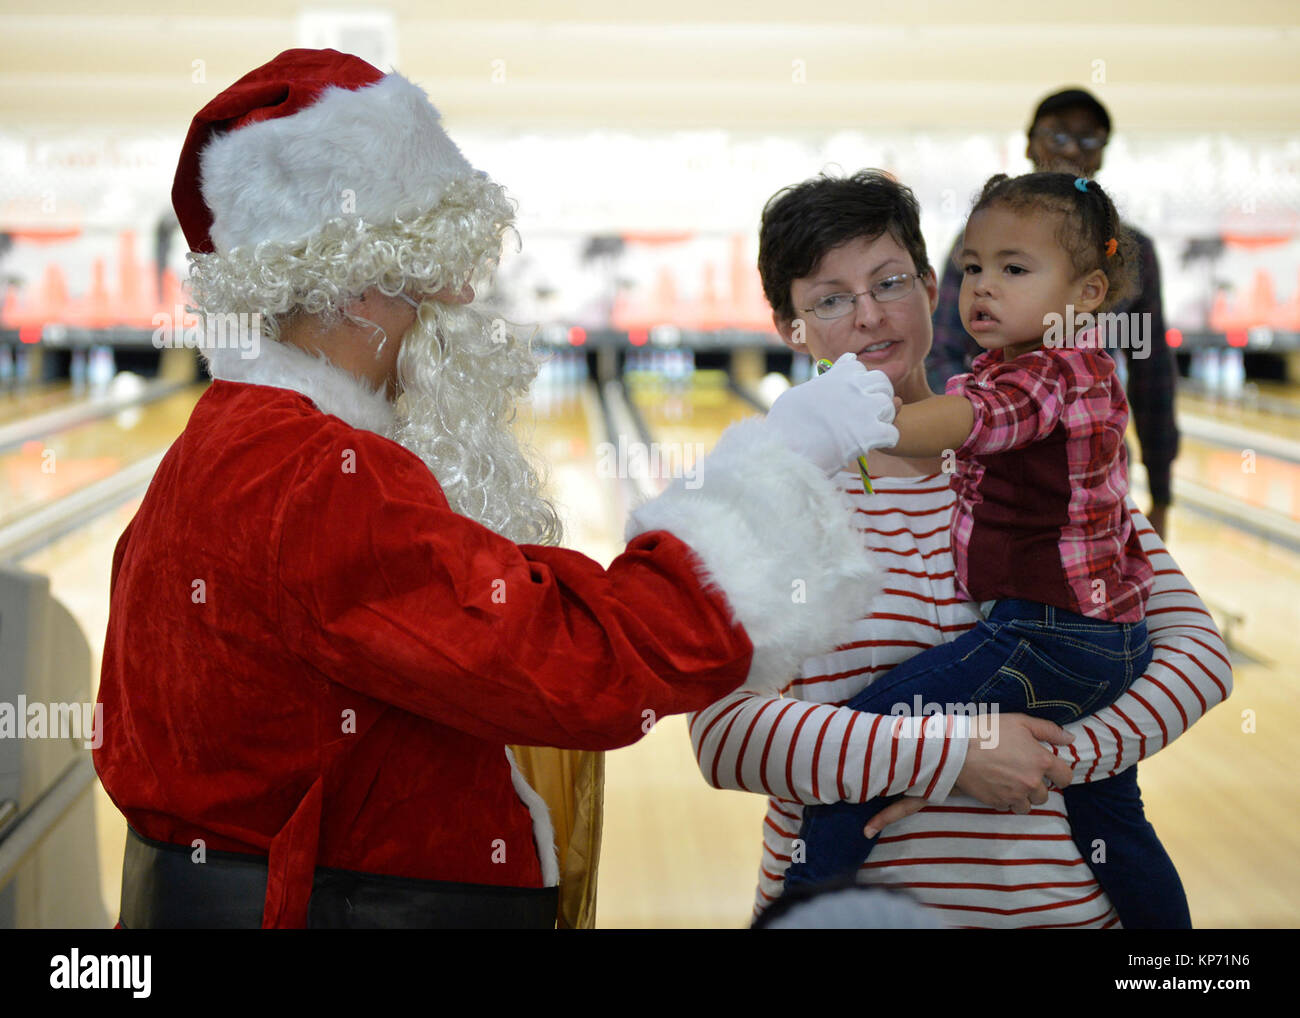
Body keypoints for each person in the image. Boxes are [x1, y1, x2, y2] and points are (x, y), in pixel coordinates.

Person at [92, 48, 912, 929]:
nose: (467, 294)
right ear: (360, 286)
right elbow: (586, 669)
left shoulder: (232, 442)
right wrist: (783, 456)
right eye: (440, 275)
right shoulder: (317, 478)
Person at [688, 169, 1231, 928]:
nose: (871, 317)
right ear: (792, 327)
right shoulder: (766, 496)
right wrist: (956, 754)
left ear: (933, 286)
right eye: (831, 300)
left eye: (889, 282)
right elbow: (726, 737)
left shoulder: (1047, 462)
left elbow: (1200, 659)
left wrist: (1051, 758)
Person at [927, 87, 1179, 539]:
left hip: (1087, 472)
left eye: (1088, 139)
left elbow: (1152, 373)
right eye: (1057, 135)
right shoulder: (979, 242)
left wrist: (1162, 494)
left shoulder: (1130, 253)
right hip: (988, 460)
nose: (1071, 150)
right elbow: (941, 351)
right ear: (1029, 144)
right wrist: (975, 427)